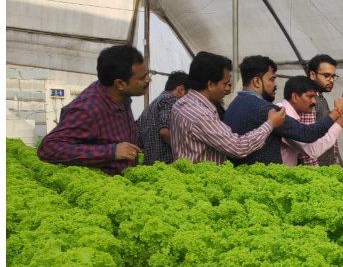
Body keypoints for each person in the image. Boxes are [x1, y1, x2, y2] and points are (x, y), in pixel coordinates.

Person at [37, 44, 150, 175]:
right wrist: (112, 152)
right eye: (142, 78)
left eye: (147, 74)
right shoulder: (89, 108)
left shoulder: (119, 96)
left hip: (124, 184)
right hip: (104, 187)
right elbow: (48, 148)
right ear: (120, 84)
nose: (149, 80)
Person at [223, 55, 343, 165]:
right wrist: (337, 112)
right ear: (257, 82)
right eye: (272, 79)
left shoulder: (235, 104)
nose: (276, 84)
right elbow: (308, 134)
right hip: (263, 182)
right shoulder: (265, 109)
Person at [170, 51, 285, 164]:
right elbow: (237, 147)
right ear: (210, 85)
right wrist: (270, 124)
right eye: (225, 83)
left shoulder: (182, 103)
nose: (227, 88)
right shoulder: (200, 114)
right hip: (202, 180)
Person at [276, 76, 343, 167]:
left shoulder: (289, 113)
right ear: (295, 97)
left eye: (315, 97)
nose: (314, 101)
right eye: (310, 96)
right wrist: (338, 121)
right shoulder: (281, 114)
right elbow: (312, 149)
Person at [136, 70, 189, 165]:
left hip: (150, 166)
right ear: (181, 90)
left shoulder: (149, 108)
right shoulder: (170, 99)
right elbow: (165, 131)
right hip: (167, 165)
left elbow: (139, 142)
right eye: (189, 95)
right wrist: (184, 150)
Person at [306, 54, 343, 166]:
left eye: (333, 76)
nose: (331, 80)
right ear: (312, 75)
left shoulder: (321, 97)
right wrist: (338, 112)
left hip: (325, 166)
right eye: (326, 75)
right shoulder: (309, 99)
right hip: (314, 167)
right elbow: (309, 137)